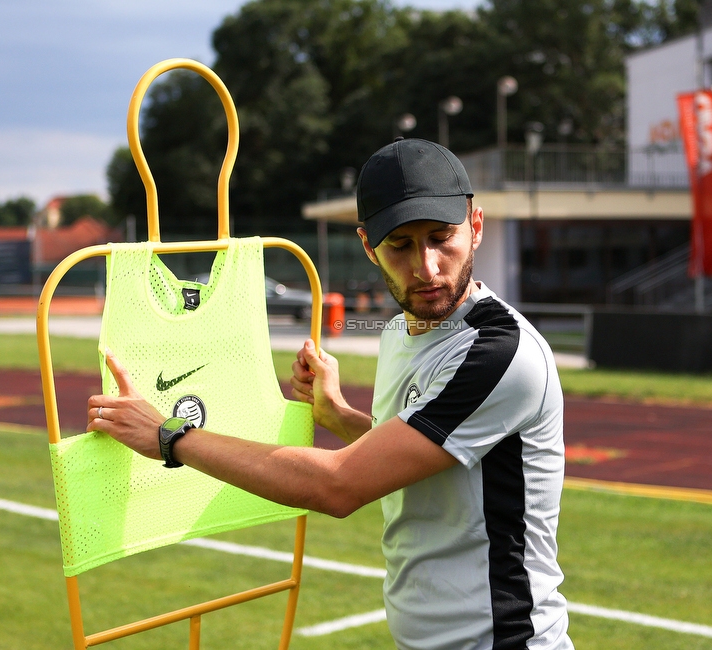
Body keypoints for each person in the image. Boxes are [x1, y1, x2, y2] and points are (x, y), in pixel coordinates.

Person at [88, 137, 573, 650]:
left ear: (475, 227)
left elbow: (339, 487)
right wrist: (339, 415)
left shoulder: (500, 354)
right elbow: (423, 455)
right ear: (369, 246)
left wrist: (169, 436)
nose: (426, 267)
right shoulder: (400, 332)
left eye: (441, 237)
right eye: (400, 246)